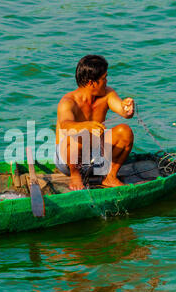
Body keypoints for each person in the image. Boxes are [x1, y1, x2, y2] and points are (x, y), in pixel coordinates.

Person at [55, 55, 134, 190]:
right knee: (77, 136)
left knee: (125, 131)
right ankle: (75, 176)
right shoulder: (68, 101)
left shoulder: (107, 94)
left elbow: (122, 110)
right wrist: (85, 126)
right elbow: (65, 125)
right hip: (68, 161)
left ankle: (110, 177)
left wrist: (127, 108)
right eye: (104, 78)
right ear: (92, 83)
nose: (106, 81)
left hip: (96, 156)